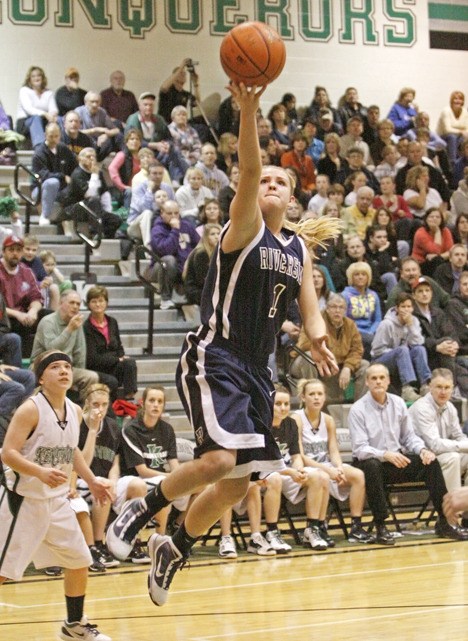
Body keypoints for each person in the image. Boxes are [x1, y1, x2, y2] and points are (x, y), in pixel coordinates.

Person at [106, 81, 339, 607]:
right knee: (217, 461)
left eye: (284, 180)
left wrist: (320, 343)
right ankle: (141, 508)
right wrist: (250, 109)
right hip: (217, 355)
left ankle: (176, 545)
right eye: (268, 179)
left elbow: (309, 309)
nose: (272, 183)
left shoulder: (297, 249)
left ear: (294, 196)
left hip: (259, 372)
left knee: (239, 482)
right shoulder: (245, 225)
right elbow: (251, 170)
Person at [0, 349, 112, 640]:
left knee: (79, 560)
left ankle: (74, 625)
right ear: (41, 377)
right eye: (55, 367)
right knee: (3, 572)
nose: (64, 371)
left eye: (67, 366)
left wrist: (92, 480)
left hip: (57, 502)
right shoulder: (30, 409)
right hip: (23, 501)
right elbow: (8, 453)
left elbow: (71, 451)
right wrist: (39, 472)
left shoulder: (74, 411)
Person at [348, 363, 466, 545]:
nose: (378, 381)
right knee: (372, 466)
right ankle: (381, 525)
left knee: (431, 463)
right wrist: (384, 454)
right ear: (367, 382)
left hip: (397, 460)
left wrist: (423, 450)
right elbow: (360, 449)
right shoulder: (358, 409)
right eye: (374, 378)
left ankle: (445, 521)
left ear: (388, 381)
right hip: (370, 462)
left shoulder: (398, 403)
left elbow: (409, 437)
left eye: (382, 378)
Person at [293, 379, 375, 545]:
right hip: (305, 468)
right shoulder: (297, 419)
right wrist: (329, 470)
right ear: (303, 397)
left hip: (326, 466)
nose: (316, 398)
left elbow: (333, 450)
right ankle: (316, 527)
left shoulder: (328, 420)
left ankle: (356, 527)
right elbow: (300, 456)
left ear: (324, 397)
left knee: (358, 475)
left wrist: (338, 468)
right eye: (312, 394)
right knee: (322, 475)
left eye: (320, 394)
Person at [118, 385, 191, 537]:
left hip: (162, 478)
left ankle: (178, 527)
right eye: (152, 400)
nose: (156, 404)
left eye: (160, 401)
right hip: (137, 480)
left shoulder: (167, 429)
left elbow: (173, 463)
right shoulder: (130, 429)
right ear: (143, 403)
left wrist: (181, 477)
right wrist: (172, 477)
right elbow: (142, 471)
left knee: (202, 485)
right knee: (164, 488)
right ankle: (159, 537)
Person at [410, 369, 468, 520]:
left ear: (452, 388)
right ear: (430, 386)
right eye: (439, 387)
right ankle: (450, 518)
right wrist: (464, 446)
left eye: (447, 387)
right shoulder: (422, 407)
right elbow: (434, 445)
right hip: (421, 461)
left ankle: (466, 515)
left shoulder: (450, 408)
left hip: (440, 457)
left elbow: (459, 436)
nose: (443, 392)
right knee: (453, 457)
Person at [290, 294, 368, 404]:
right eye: (333, 307)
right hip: (307, 363)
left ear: (345, 310)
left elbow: (357, 349)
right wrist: (328, 356)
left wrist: (348, 367)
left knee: (365, 366)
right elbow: (304, 345)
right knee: (308, 356)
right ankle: (311, 402)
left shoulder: (350, 325)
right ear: (326, 309)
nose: (337, 310)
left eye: (341, 307)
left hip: (337, 365)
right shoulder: (315, 321)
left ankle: (360, 406)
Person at [76, 383, 121, 568]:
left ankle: (129, 543)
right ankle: (97, 543)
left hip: (104, 480)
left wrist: (115, 481)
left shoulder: (112, 426)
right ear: (87, 402)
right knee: (103, 485)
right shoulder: (78, 424)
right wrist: (93, 430)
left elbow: (116, 462)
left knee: (121, 485)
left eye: (104, 404)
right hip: (80, 480)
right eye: (96, 404)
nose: (100, 409)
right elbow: (82, 465)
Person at [31, 289, 99, 396]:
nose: (75, 306)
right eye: (72, 303)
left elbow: (80, 352)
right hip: (43, 366)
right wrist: (69, 329)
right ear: (61, 303)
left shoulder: (76, 323)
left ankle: (82, 410)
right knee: (56, 374)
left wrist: (73, 375)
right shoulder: (48, 321)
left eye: (78, 304)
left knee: (91, 377)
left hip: (65, 367)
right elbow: (51, 350)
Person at [411, 277, 467, 397]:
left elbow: (452, 333)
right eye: (420, 291)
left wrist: (455, 344)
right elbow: (415, 341)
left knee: (464, 376)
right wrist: (437, 346)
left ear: (432, 293)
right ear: (414, 295)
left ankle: (455, 392)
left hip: (446, 356)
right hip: (426, 358)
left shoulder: (438, 312)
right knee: (445, 341)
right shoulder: (411, 315)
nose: (424, 294)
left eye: (427, 290)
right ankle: (451, 388)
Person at [371, 292, 432, 402]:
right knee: (403, 350)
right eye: (403, 307)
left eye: (409, 307)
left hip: (402, 358)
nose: (406, 310)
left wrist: (411, 326)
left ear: (413, 308)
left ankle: (425, 385)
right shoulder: (386, 324)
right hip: (380, 360)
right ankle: (407, 389)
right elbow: (376, 350)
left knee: (419, 349)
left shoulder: (414, 321)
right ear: (397, 308)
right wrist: (397, 352)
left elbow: (418, 342)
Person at [83, 285, 137, 400]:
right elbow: (92, 358)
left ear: (106, 302)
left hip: (113, 365)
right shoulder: (86, 327)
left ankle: (129, 399)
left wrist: (121, 356)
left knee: (130, 363)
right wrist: (117, 359)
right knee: (113, 380)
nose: (98, 304)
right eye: (94, 301)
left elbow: (119, 346)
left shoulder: (112, 322)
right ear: (88, 304)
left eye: (101, 301)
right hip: (98, 369)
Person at [58, 147, 122, 239]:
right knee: (94, 200)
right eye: (88, 156)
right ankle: (95, 233)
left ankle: (104, 237)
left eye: (93, 157)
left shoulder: (98, 173)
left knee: (116, 220)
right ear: (80, 158)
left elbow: (104, 193)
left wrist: (107, 212)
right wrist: (94, 174)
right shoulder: (77, 174)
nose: (92, 159)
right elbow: (89, 194)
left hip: (94, 209)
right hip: (74, 208)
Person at [149, 199, 199, 310]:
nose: (174, 216)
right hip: (160, 269)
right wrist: (175, 230)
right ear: (162, 213)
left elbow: (199, 245)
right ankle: (165, 299)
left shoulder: (187, 226)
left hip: (184, 266)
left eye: (176, 213)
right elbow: (166, 250)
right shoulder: (157, 229)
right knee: (169, 260)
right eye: (169, 213)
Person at [0, 235, 45, 358]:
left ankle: (47, 360)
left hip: (25, 315)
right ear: (3, 251)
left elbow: (36, 297)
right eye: (11, 250)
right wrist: (18, 314)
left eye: (18, 250)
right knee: (17, 325)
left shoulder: (26, 271)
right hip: (5, 317)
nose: (15, 254)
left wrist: (33, 311)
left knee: (48, 316)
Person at [31, 122, 77, 226]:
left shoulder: (63, 149)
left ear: (60, 136)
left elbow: (74, 166)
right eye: (51, 136)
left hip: (61, 189)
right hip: (40, 189)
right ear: (45, 135)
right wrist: (63, 176)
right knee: (52, 182)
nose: (54, 139)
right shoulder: (39, 153)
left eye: (56, 136)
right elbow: (44, 175)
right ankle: (45, 215)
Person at [342, 262, 381, 360]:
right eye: (356, 274)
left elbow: (377, 319)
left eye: (363, 274)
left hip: (370, 333)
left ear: (368, 277)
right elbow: (344, 320)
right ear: (351, 277)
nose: (360, 277)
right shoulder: (345, 295)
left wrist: (371, 332)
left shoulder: (374, 295)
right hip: (352, 333)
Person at [386, 256, 450, 310]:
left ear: (419, 271)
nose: (411, 273)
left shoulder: (429, 281)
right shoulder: (395, 294)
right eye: (407, 270)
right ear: (401, 273)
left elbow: (446, 300)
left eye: (414, 270)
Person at [16, 66, 58, 148]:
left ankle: (61, 146)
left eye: (39, 75)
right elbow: (29, 110)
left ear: (42, 78)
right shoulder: (24, 90)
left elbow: (53, 109)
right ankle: (40, 148)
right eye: (33, 76)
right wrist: (45, 113)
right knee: (36, 118)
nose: (36, 78)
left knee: (60, 119)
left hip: (44, 121)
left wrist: (52, 115)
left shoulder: (48, 92)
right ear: (29, 79)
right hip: (25, 123)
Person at [76, 92, 122, 161]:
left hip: (99, 144)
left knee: (119, 135)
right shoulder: (78, 112)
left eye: (97, 102)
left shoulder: (102, 112)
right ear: (85, 102)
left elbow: (116, 130)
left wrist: (107, 135)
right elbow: (76, 132)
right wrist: (95, 130)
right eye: (92, 102)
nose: (95, 105)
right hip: (85, 144)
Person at [183, 223, 221, 306]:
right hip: (197, 291)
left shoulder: (218, 253)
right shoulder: (201, 253)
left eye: (218, 233)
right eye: (212, 234)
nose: (216, 237)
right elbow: (202, 280)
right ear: (206, 237)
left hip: (208, 290)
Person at [158, 58, 201, 126]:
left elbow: (197, 103)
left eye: (184, 73)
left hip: (180, 124)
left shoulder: (186, 94)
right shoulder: (168, 91)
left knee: (201, 123)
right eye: (181, 73)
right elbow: (163, 88)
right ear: (174, 77)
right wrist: (182, 66)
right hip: (166, 124)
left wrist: (195, 84)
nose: (183, 75)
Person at [411, 207, 453, 276]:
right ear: (426, 219)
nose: (434, 219)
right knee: (437, 261)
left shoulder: (446, 231)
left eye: (437, 217)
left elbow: (451, 252)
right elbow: (435, 250)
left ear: (441, 220)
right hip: (421, 264)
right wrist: (437, 231)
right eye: (431, 217)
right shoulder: (420, 233)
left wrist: (439, 256)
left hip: (440, 261)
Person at [108, 128, 142, 207]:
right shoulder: (122, 155)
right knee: (130, 191)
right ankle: (127, 216)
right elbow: (112, 168)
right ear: (126, 143)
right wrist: (122, 186)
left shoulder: (143, 156)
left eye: (137, 139)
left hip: (140, 189)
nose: (135, 141)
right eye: (132, 139)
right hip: (125, 191)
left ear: (140, 143)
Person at [437, 91, 468, 166]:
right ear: (451, 100)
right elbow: (447, 130)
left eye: (460, 99)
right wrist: (461, 131)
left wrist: (464, 133)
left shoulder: (464, 112)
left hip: (459, 137)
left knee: (464, 139)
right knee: (452, 137)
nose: (458, 101)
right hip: (443, 137)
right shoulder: (446, 111)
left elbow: (466, 128)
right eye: (455, 99)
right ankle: (453, 163)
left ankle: (463, 162)